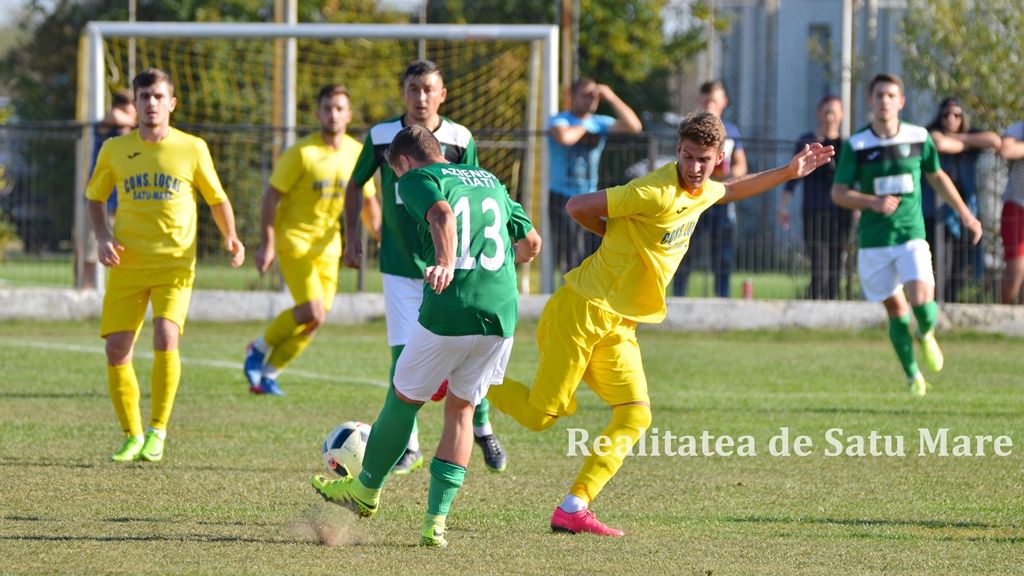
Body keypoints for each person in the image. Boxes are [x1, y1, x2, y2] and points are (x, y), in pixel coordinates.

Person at [487, 111, 834, 536]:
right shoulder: (652, 191)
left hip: (619, 324)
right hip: (582, 310)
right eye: (687, 157)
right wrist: (612, 235)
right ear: (677, 151)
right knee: (541, 417)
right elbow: (576, 206)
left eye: (703, 160)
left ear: (719, 157)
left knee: (635, 415)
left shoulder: (703, 188)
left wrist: (788, 171)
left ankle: (573, 506)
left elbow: (728, 191)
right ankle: (465, 378)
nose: (693, 168)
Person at [312, 124, 542, 548]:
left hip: (451, 309)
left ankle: (365, 492)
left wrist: (446, 261)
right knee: (461, 410)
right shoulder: (489, 178)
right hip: (502, 314)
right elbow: (531, 243)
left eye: (396, 174)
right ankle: (434, 524)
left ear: (402, 162)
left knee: (402, 399)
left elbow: (441, 214)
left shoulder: (419, 177)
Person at [342, 60, 508, 474]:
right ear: (404, 92)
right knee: (403, 353)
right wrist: (352, 237)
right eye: (413, 89)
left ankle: (483, 427)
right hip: (400, 263)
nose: (420, 97)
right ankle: (409, 446)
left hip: (456, 267)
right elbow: (354, 183)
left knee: (469, 348)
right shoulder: (382, 136)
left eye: (428, 89)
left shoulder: (459, 138)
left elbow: (472, 189)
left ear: (442, 94)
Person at [86, 68, 245, 462]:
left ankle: (158, 429)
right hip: (127, 262)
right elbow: (94, 197)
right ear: (135, 103)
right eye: (144, 97)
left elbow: (216, 198)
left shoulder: (192, 148)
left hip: (175, 263)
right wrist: (103, 237)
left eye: (158, 97)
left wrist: (230, 235)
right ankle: (132, 434)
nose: (151, 104)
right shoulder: (114, 150)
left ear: (172, 103)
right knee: (117, 351)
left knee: (165, 337)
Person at [831, 74, 982, 396]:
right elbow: (839, 193)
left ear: (901, 102)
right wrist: (872, 201)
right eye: (879, 95)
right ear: (871, 101)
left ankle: (926, 333)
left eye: (891, 95)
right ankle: (913, 375)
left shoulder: (918, 137)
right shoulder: (857, 144)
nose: (885, 100)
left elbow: (937, 176)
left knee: (921, 300)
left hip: (912, 235)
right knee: (897, 311)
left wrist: (967, 215)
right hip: (874, 242)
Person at [242, 85, 378, 396]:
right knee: (312, 310)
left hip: (329, 247)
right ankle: (258, 348)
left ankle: (269, 375)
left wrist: (379, 233)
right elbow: (270, 197)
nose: (333, 114)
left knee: (315, 320)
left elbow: (368, 201)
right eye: (328, 108)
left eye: (339, 108)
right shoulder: (302, 153)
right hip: (295, 240)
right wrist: (267, 242)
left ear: (349, 114)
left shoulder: (357, 153)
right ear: (318, 113)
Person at [548, 78, 642, 274]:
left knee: (594, 253)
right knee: (569, 256)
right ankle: (570, 296)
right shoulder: (560, 120)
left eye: (595, 95)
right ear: (572, 96)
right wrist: (585, 127)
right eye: (585, 95)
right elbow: (565, 138)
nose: (591, 99)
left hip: (589, 196)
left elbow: (635, 127)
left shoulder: (600, 122)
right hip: (561, 196)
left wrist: (611, 96)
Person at [921, 98, 1000, 302]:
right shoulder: (929, 133)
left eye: (956, 115)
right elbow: (940, 143)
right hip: (935, 211)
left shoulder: (969, 135)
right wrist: (965, 143)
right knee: (938, 264)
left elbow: (994, 141)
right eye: (946, 115)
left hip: (965, 211)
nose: (951, 119)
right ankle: (934, 303)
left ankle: (951, 303)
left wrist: (960, 139)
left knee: (962, 263)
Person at [673, 80, 747, 297]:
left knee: (722, 255)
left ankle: (722, 299)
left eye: (713, 101)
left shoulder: (731, 132)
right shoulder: (689, 129)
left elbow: (741, 163)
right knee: (684, 250)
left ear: (724, 102)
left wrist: (729, 182)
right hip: (693, 201)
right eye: (705, 101)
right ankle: (678, 297)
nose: (709, 106)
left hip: (720, 202)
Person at [779, 95, 851, 300]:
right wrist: (783, 206)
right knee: (819, 260)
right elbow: (793, 177)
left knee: (837, 260)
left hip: (840, 212)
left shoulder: (846, 145)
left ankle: (831, 302)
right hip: (814, 210)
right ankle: (816, 301)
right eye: (827, 111)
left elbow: (851, 180)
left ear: (841, 115)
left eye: (834, 112)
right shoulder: (807, 142)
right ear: (820, 113)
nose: (830, 117)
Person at [83, 89, 137, 288]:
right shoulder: (106, 127)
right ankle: (86, 290)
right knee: (91, 248)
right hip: (98, 201)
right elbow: (114, 117)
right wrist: (131, 121)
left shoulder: (136, 136)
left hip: (125, 201)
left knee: (123, 251)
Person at [998, 119, 1024, 304]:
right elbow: (1006, 150)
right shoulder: (1019, 128)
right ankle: (1004, 322)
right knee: (1016, 272)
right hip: (1017, 207)